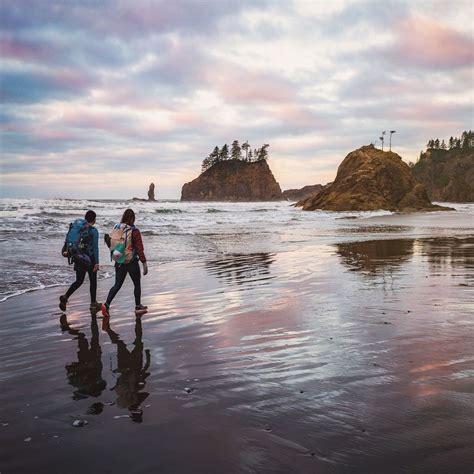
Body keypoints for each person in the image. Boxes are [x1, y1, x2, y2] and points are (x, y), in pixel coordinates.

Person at [102, 208, 148, 318]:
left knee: (117, 285)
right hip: (131, 262)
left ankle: (106, 304)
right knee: (137, 284)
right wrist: (144, 262)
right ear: (132, 218)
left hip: (119, 260)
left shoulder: (117, 228)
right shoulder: (134, 230)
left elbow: (111, 243)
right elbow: (139, 248)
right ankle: (138, 306)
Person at [59, 210, 101, 313]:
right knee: (93, 281)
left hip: (78, 258)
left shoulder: (78, 229)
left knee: (79, 281)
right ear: (94, 220)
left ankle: (65, 296)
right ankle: (93, 303)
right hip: (90, 259)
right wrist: (97, 262)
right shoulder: (93, 231)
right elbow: (95, 248)